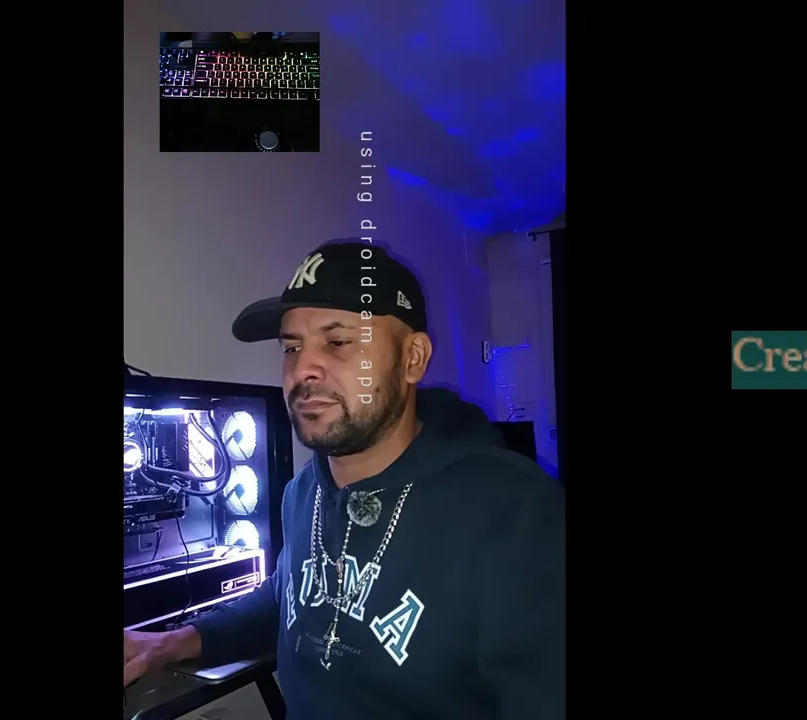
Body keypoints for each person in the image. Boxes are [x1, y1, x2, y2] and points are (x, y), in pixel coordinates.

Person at [123, 241, 565, 719]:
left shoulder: (516, 513)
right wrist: (169, 644)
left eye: (337, 342)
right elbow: (289, 594)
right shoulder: (301, 494)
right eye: (291, 347)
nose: (302, 369)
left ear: (413, 358)